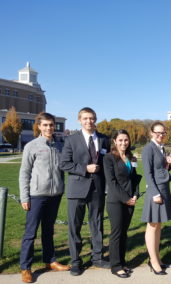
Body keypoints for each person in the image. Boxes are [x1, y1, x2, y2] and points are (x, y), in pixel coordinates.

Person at [19, 112, 70, 283]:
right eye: (45, 125)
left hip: (55, 195)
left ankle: (50, 261)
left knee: (48, 231)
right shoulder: (31, 146)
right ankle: (25, 267)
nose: (49, 128)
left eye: (51, 125)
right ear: (39, 126)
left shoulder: (60, 146)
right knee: (30, 233)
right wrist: (24, 197)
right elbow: (24, 173)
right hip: (36, 196)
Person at [60, 107, 110, 276]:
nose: (89, 121)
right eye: (86, 118)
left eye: (92, 118)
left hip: (97, 188)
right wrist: (85, 168)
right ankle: (76, 261)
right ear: (79, 120)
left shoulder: (104, 139)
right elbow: (64, 164)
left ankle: (97, 257)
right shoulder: (71, 140)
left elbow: (109, 161)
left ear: (95, 119)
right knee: (75, 227)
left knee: (97, 224)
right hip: (77, 189)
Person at [104, 130, 141, 278]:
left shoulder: (131, 157)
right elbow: (111, 182)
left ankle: (122, 261)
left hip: (130, 200)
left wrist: (135, 195)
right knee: (116, 233)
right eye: (120, 140)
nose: (123, 143)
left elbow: (135, 178)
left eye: (126, 140)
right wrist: (125, 198)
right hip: (116, 201)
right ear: (114, 141)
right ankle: (115, 265)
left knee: (124, 234)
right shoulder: (109, 158)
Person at [141, 122, 171, 275]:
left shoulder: (162, 148)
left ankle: (157, 258)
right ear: (151, 133)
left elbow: (160, 170)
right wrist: (155, 193)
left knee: (158, 225)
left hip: (163, 188)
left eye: (163, 133)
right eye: (158, 132)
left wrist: (169, 165)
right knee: (152, 226)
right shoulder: (148, 148)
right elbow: (148, 174)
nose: (160, 135)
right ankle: (153, 261)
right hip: (156, 192)